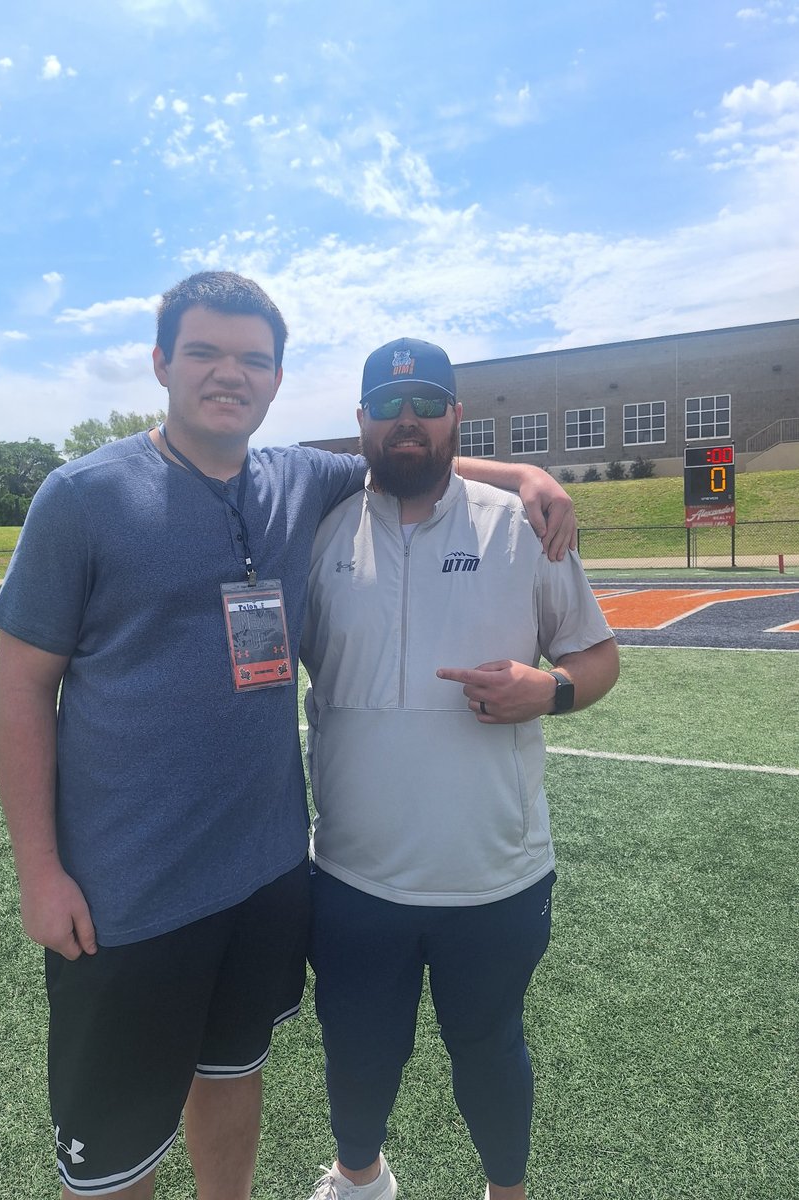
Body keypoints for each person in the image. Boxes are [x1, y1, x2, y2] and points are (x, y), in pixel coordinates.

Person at [0, 274, 577, 1200]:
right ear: (160, 363)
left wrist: (524, 475)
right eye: (205, 353)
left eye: (253, 360)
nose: (231, 375)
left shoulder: (299, 480)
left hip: (264, 878)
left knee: (231, 1083)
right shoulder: (82, 496)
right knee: (115, 1152)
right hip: (125, 892)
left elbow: (409, 458)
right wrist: (39, 869)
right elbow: (21, 688)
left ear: (275, 380)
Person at [300, 338, 619, 1200]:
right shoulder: (318, 528)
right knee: (358, 1047)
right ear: (360, 419)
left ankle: (506, 1193)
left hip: (496, 875)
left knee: (491, 1046)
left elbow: (597, 658)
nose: (410, 422)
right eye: (391, 406)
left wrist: (548, 690)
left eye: (428, 404)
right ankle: (359, 1178)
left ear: (455, 418)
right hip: (354, 874)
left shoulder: (522, 523)